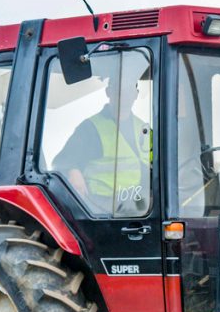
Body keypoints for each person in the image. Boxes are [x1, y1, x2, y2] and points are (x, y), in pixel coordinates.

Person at [52, 75, 151, 214]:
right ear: (108, 92)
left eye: (129, 90)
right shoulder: (90, 128)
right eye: (119, 90)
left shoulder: (144, 128)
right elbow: (63, 161)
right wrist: (73, 171)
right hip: (102, 207)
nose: (124, 94)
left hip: (138, 205)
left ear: (136, 94)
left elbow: (152, 164)